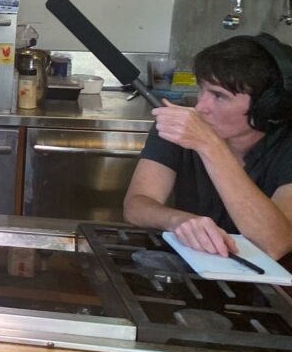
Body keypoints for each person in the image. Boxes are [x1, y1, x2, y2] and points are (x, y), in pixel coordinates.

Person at [124, 34, 292, 267]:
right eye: (202, 90)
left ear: (266, 107)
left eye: (219, 96)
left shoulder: (286, 146)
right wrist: (179, 220)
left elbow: (274, 243)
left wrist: (209, 145)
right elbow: (137, 205)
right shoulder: (181, 126)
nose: (201, 107)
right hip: (198, 272)